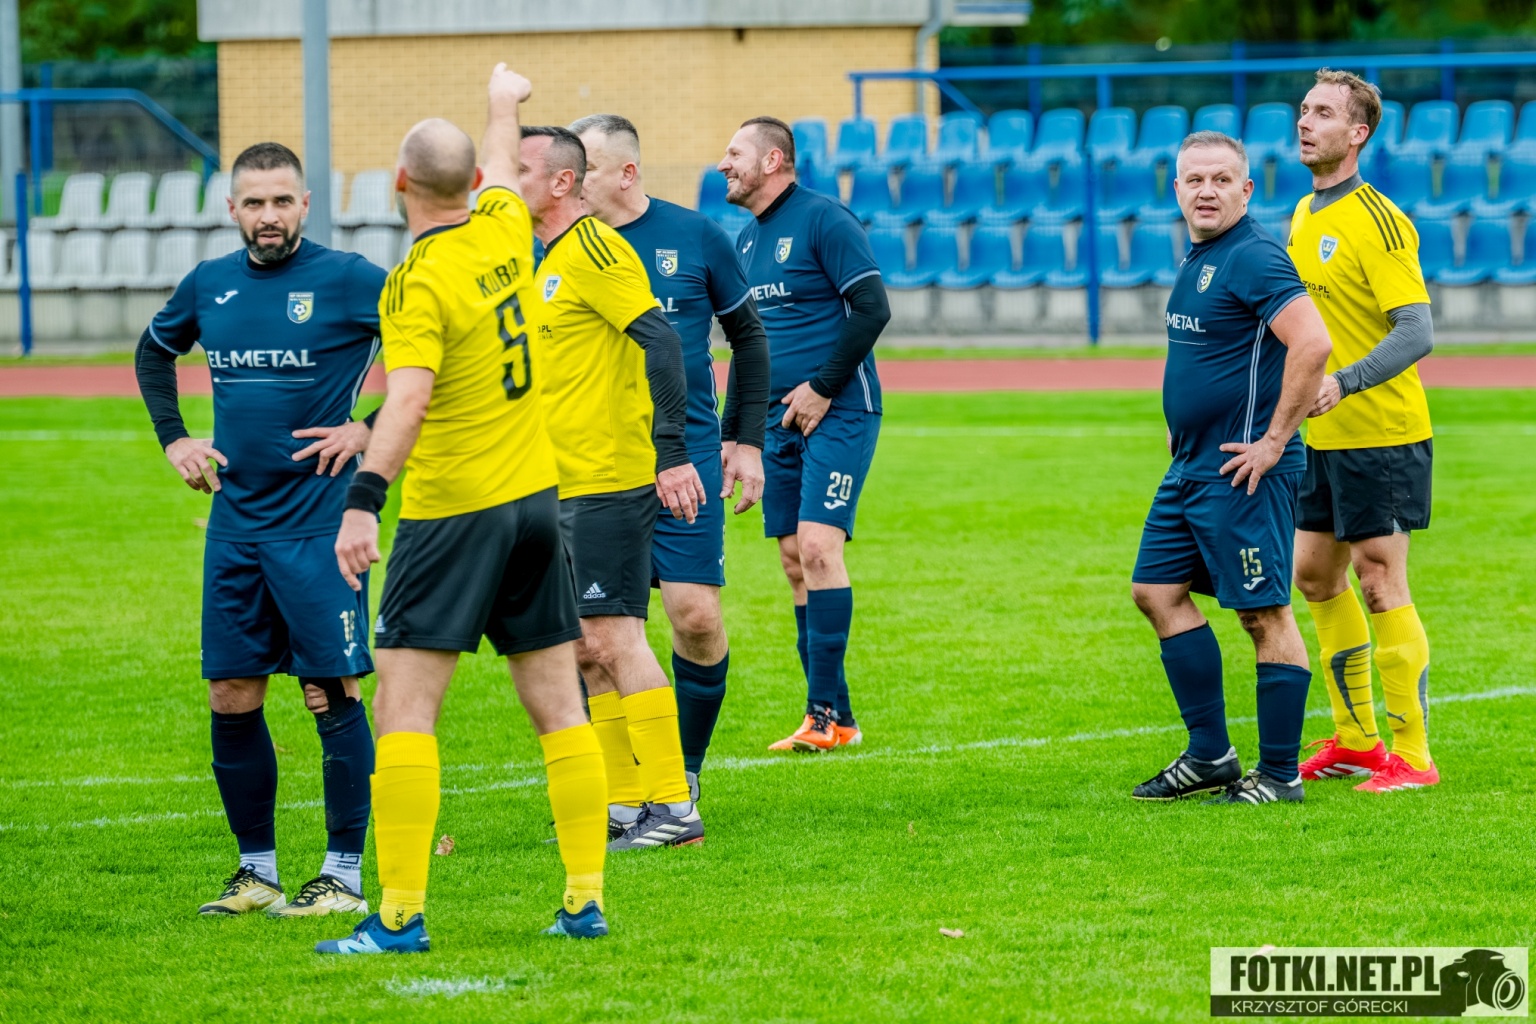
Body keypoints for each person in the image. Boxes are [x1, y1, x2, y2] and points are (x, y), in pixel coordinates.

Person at [319, 64, 610, 953]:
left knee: (404, 711)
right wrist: (503, 102)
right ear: (479, 184)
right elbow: (499, 158)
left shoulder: (414, 279)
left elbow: (407, 400)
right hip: (535, 504)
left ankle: (398, 916)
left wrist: (364, 501)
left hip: (452, 512)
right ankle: (584, 901)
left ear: (399, 182)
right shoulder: (505, 227)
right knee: (559, 707)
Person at [134, 141, 382, 918]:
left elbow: (441, 358)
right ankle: (256, 872)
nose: (268, 216)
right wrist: (175, 438)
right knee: (231, 691)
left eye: (281, 201)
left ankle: (343, 875)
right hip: (236, 525)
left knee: (328, 689)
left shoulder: (351, 279)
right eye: (253, 203)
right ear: (232, 208)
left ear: (305, 204)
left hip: (321, 524)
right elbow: (153, 352)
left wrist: (370, 430)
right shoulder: (209, 284)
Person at [570, 113, 771, 800]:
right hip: (595, 467)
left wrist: (746, 441)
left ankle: (682, 772)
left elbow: (749, 339)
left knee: (696, 617)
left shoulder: (695, 236)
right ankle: (627, 787)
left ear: (627, 172)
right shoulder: (561, 251)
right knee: (593, 636)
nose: (572, 182)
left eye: (587, 169)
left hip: (686, 458)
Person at [1129, 131, 1333, 805]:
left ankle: (1279, 776)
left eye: (1221, 179)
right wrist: (1180, 422)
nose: (1207, 191)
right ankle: (1211, 756)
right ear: (1177, 189)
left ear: (1246, 190)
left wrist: (1274, 441)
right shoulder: (1201, 256)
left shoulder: (1254, 256)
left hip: (1244, 471)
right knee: (1156, 591)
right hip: (1192, 465)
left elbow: (1313, 342)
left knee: (1264, 614)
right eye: (1195, 180)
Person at [519, 124, 707, 850]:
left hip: (607, 479)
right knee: (581, 647)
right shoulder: (547, 260)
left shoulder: (594, 248)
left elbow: (661, 338)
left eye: (522, 170)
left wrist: (672, 453)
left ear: (562, 181)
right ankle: (627, 805)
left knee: (612, 637)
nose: (508, 181)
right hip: (558, 482)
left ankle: (674, 806)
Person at [717, 115, 891, 752]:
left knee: (819, 548)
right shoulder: (743, 242)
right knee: (795, 562)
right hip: (774, 419)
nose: (723, 164)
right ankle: (838, 719)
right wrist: (735, 436)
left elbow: (873, 308)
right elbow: (747, 347)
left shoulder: (824, 219)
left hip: (841, 409)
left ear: (772, 160)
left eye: (734, 153)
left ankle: (820, 717)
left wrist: (821, 386)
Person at [1288, 69, 1439, 792]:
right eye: (1303, 109)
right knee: (1315, 576)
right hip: (1321, 435)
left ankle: (1413, 756)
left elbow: (1416, 331)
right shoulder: (1302, 213)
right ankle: (1357, 742)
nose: (1305, 121)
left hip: (1381, 431)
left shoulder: (1379, 220)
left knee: (1380, 582)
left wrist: (1343, 383)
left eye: (1323, 112)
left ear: (1358, 133)